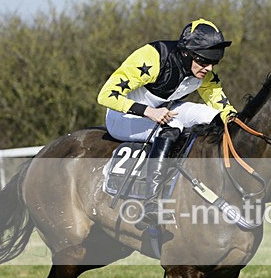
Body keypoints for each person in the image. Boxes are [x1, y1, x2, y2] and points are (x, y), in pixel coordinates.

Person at [97, 18, 238, 224]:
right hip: (123, 116)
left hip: (164, 109)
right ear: (186, 52)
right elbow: (105, 95)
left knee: (215, 118)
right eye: (204, 61)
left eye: (214, 63)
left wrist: (237, 121)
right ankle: (151, 203)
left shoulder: (203, 71)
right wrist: (147, 112)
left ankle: (238, 185)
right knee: (173, 127)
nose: (208, 68)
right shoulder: (152, 57)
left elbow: (222, 106)